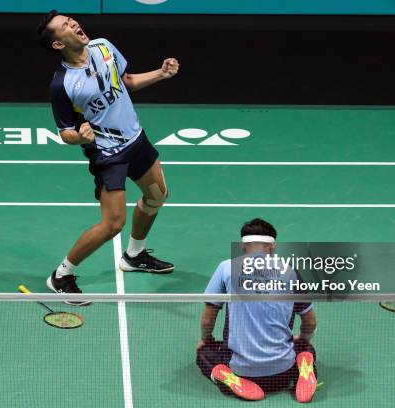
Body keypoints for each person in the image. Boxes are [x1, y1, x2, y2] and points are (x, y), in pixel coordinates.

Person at [36, 11, 179, 304]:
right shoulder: (62, 84)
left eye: (71, 20)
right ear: (58, 44)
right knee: (113, 223)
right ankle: (60, 276)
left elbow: (126, 81)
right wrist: (81, 136)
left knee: (156, 196)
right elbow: (65, 133)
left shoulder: (103, 47)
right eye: (65, 26)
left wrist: (161, 74)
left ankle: (134, 255)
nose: (74, 24)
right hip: (108, 153)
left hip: (136, 139)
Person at [196, 218, 318, 402]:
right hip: (283, 374)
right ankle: (305, 368)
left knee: (204, 353)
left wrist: (206, 340)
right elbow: (310, 322)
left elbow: (207, 320)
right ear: (272, 246)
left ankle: (228, 376)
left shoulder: (226, 268)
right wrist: (302, 340)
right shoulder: (291, 271)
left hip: (242, 371)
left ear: (242, 246)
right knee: (305, 346)